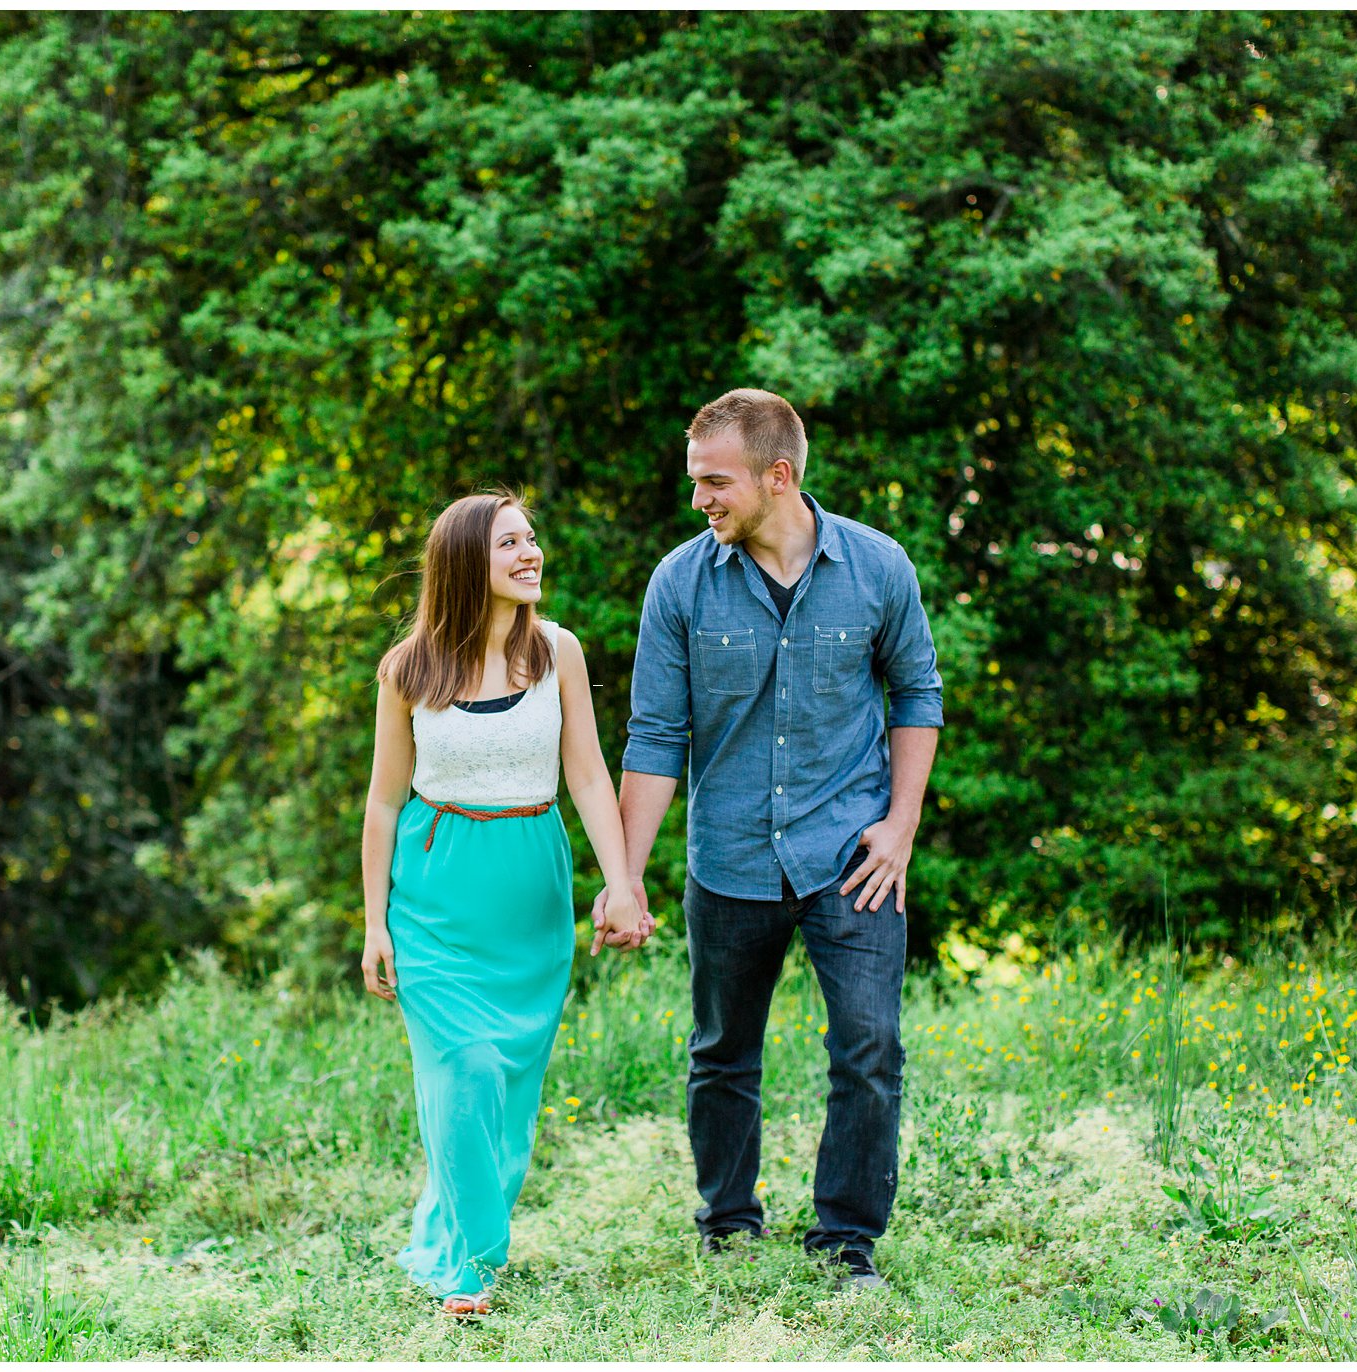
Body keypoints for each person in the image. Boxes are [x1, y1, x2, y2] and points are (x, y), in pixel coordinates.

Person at [599, 388, 944, 1291]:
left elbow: (917, 695)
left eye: (715, 481)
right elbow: (655, 735)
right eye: (695, 483)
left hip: (852, 857)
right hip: (731, 856)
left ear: (777, 476)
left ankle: (846, 1242)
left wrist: (901, 824)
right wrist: (625, 878)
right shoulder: (680, 581)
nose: (700, 499)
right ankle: (729, 1224)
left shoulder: (878, 568)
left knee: (869, 1045)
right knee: (722, 1051)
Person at [360, 489, 647, 1317]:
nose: (531, 555)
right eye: (508, 544)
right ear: (463, 565)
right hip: (435, 895)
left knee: (511, 1087)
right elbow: (383, 802)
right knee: (466, 1071)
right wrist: (375, 922)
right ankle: (471, 1266)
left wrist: (621, 883)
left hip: (531, 892)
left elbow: (588, 776)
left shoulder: (560, 652)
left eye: (531, 539)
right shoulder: (407, 670)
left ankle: (450, 1228)